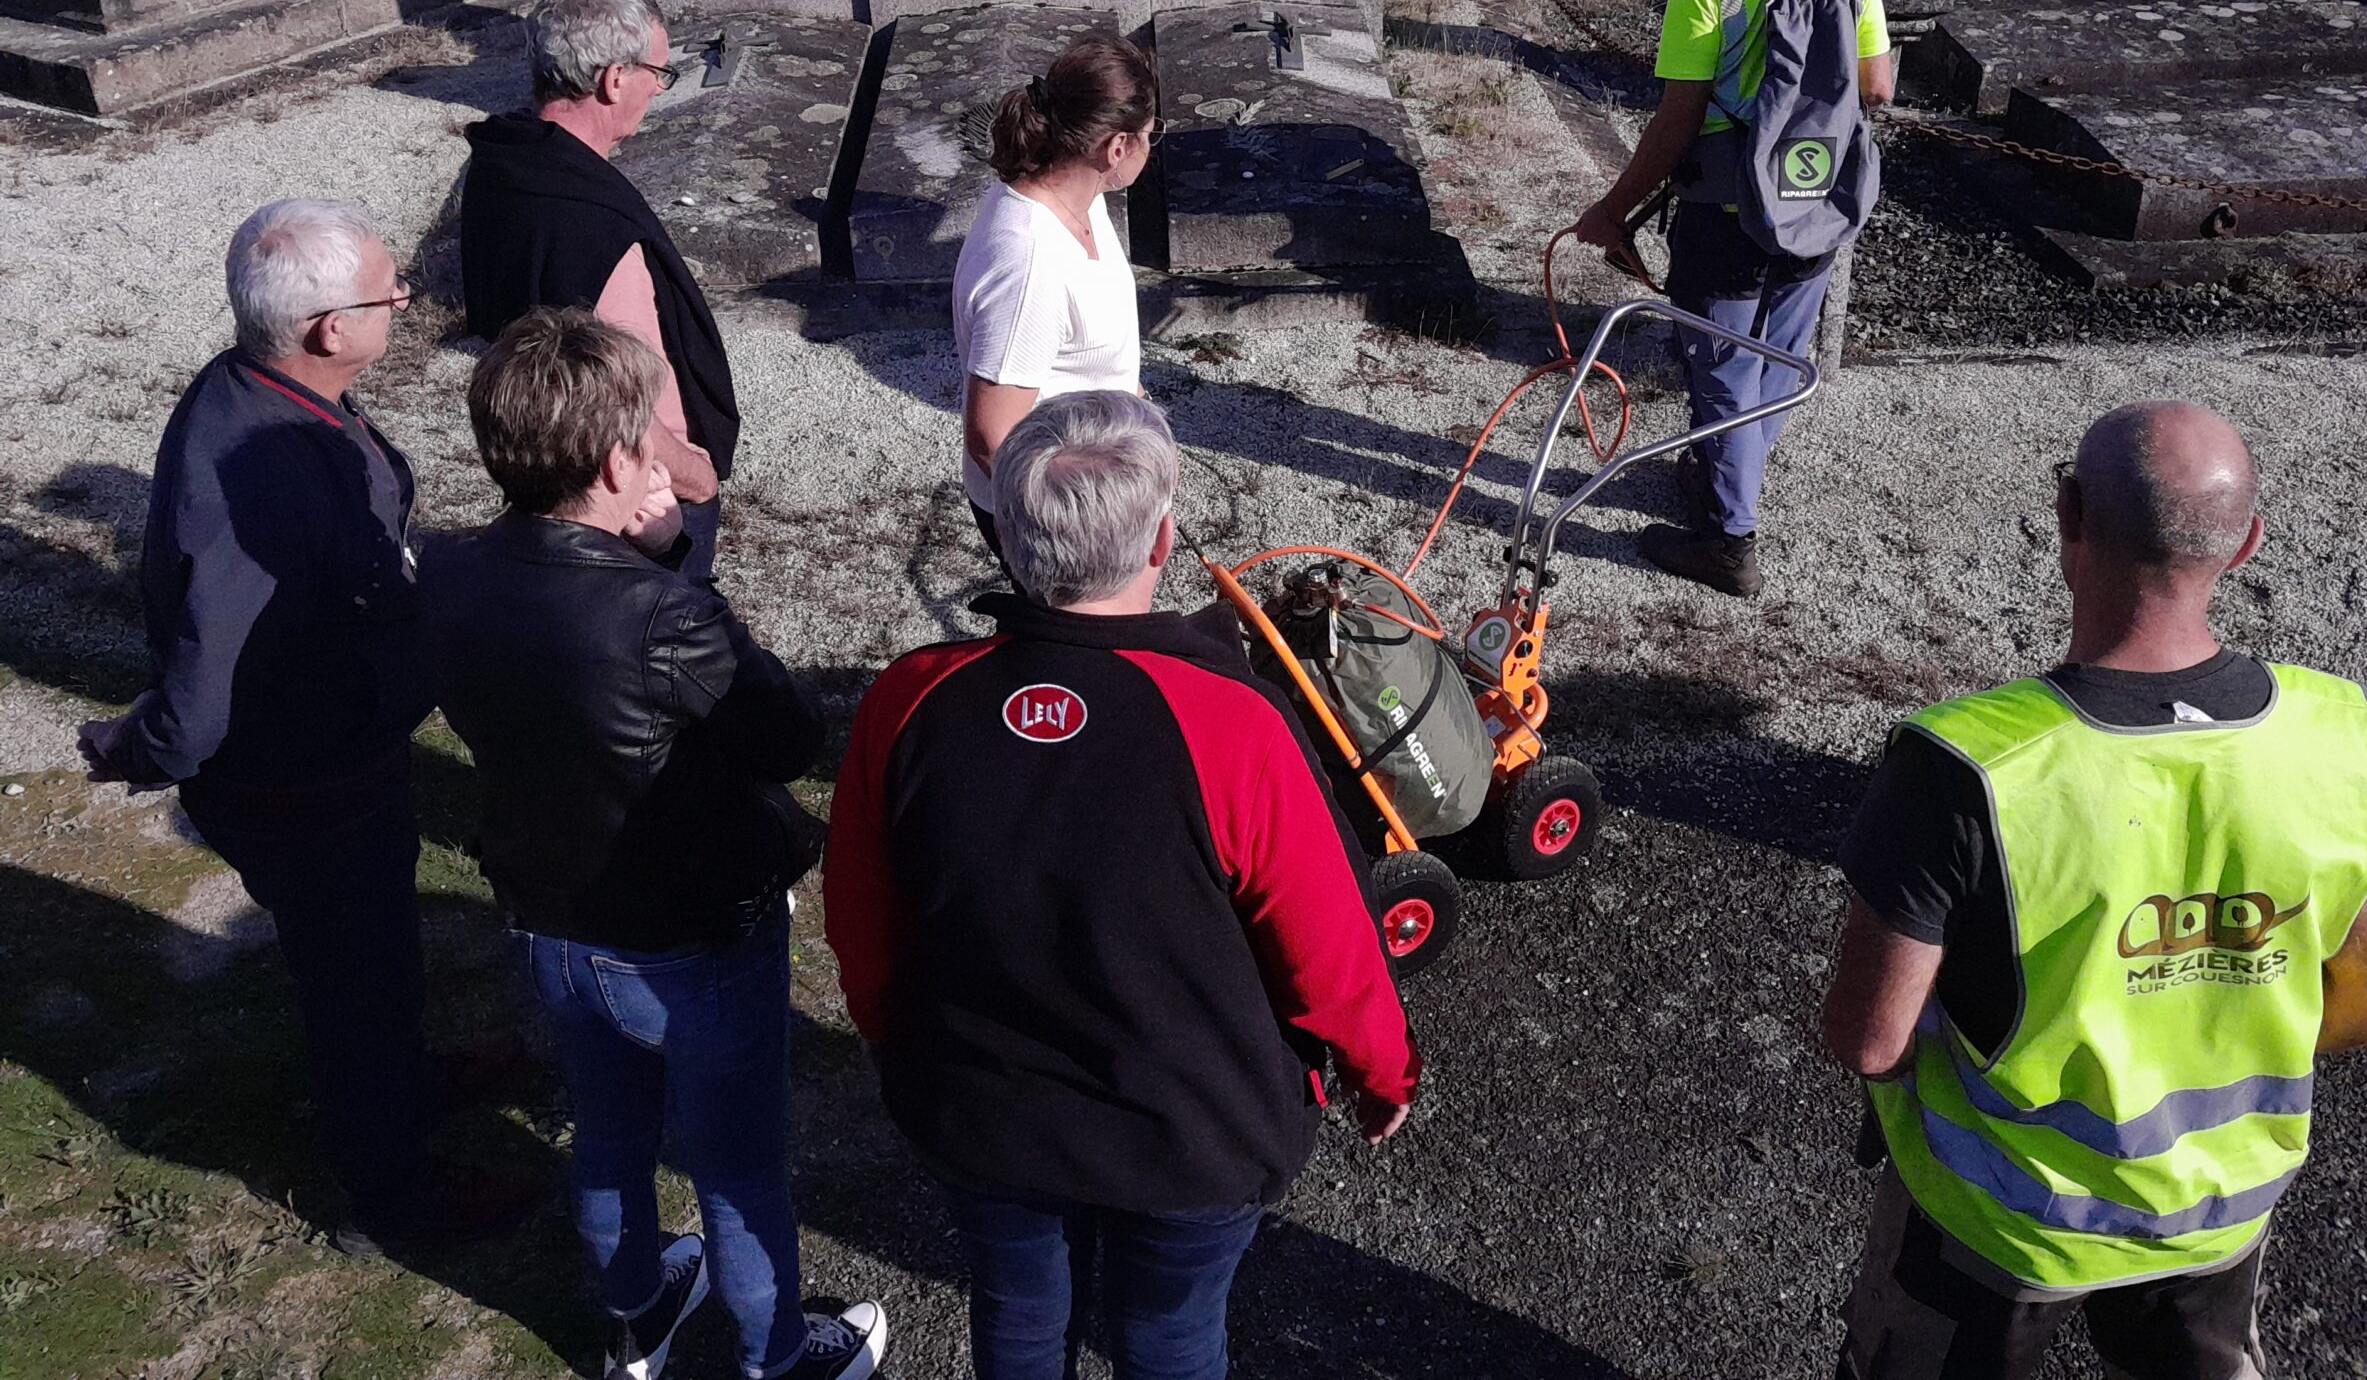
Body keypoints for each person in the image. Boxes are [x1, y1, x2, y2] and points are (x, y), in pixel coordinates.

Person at [1821, 402, 2367, 1380]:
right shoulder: (2339, 733)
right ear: (2247, 544)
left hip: (2000, 1222)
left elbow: (1868, 1038)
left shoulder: (1967, 766)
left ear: (2068, 515)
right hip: (2219, 1215)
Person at [825, 390, 1418, 1380]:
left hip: (987, 1115)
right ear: (1162, 541)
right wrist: (1382, 1069)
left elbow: (861, 921)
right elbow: (1327, 944)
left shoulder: (910, 698)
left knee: (1017, 1322)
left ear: (1010, 539)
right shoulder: (1231, 722)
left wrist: (896, 1040)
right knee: (1169, 1338)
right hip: (1191, 1133)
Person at [421, 308, 887, 1380]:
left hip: (549, 917)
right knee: (737, 1169)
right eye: (651, 436)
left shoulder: (446, 570)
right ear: (615, 462)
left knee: (609, 1132)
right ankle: (776, 1357)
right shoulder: (658, 613)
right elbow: (786, 735)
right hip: (687, 939)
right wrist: (678, 567)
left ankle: (636, 1310)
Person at [76, 200, 541, 1254]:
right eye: (392, 294)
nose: (406, 300)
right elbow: (204, 688)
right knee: (354, 986)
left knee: (377, 959)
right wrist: (134, 746)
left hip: (345, 754)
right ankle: (395, 1194)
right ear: (330, 330)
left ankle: (410, 1083)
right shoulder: (259, 486)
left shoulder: (257, 388)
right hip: (304, 786)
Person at [1572, 0, 1893, 599]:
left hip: (1726, 209)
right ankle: (1723, 473)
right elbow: (1878, 87)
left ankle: (1727, 540)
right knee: (1780, 361)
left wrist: (1612, 211)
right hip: (1819, 197)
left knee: (1721, 370)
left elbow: (1678, 117)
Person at [459, 0, 738, 584]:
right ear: (614, 79)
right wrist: (696, 477)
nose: (657, 90)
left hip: (551, 478)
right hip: (637, 495)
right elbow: (617, 401)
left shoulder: (503, 167)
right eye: (657, 74)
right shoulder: (591, 223)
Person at [950, 36, 1155, 566]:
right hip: (1066, 523)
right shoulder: (1030, 263)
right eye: (1151, 136)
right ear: (1117, 147)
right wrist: (1086, 530)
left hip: (1100, 487)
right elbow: (992, 438)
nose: (1152, 148)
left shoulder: (1081, 198)